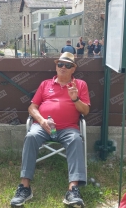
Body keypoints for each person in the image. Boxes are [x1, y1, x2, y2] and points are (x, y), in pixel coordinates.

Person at [10, 52, 90, 207]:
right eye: (60, 64)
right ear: (56, 66)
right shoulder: (45, 84)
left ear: (73, 69)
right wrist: (41, 120)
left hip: (68, 129)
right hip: (42, 126)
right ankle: (24, 187)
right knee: (31, 136)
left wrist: (75, 98)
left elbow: (85, 111)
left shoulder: (80, 85)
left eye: (68, 65)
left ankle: (73, 190)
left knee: (76, 139)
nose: (63, 67)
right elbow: (32, 107)